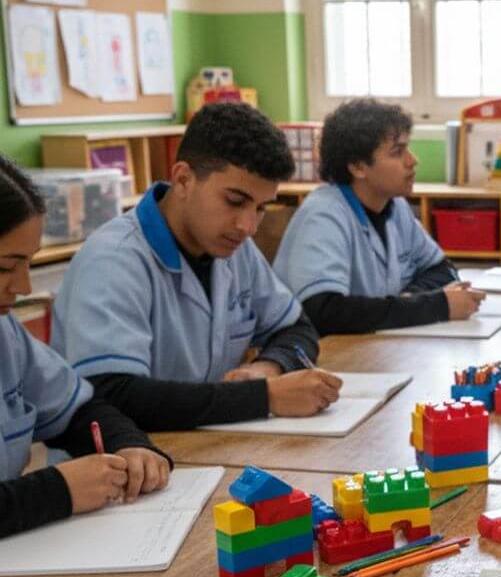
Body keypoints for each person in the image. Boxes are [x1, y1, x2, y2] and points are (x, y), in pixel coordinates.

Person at [52, 103, 341, 431]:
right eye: (235, 201)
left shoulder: (234, 248)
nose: (248, 226)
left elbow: (296, 328)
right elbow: (113, 395)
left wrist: (268, 368)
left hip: (204, 446)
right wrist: (263, 397)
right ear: (183, 179)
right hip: (122, 466)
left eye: (261, 208)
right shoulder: (113, 262)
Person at [0, 157, 171, 539]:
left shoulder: (5, 333)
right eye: (4, 268)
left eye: (28, 264)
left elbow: (78, 410)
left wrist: (127, 444)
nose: (25, 287)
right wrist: (57, 490)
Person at [273, 98, 484, 335]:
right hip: (328, 358)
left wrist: (407, 301)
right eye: (397, 152)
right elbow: (323, 311)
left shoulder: (395, 206)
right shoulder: (323, 214)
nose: (413, 161)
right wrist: (435, 305)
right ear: (358, 166)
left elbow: (442, 270)